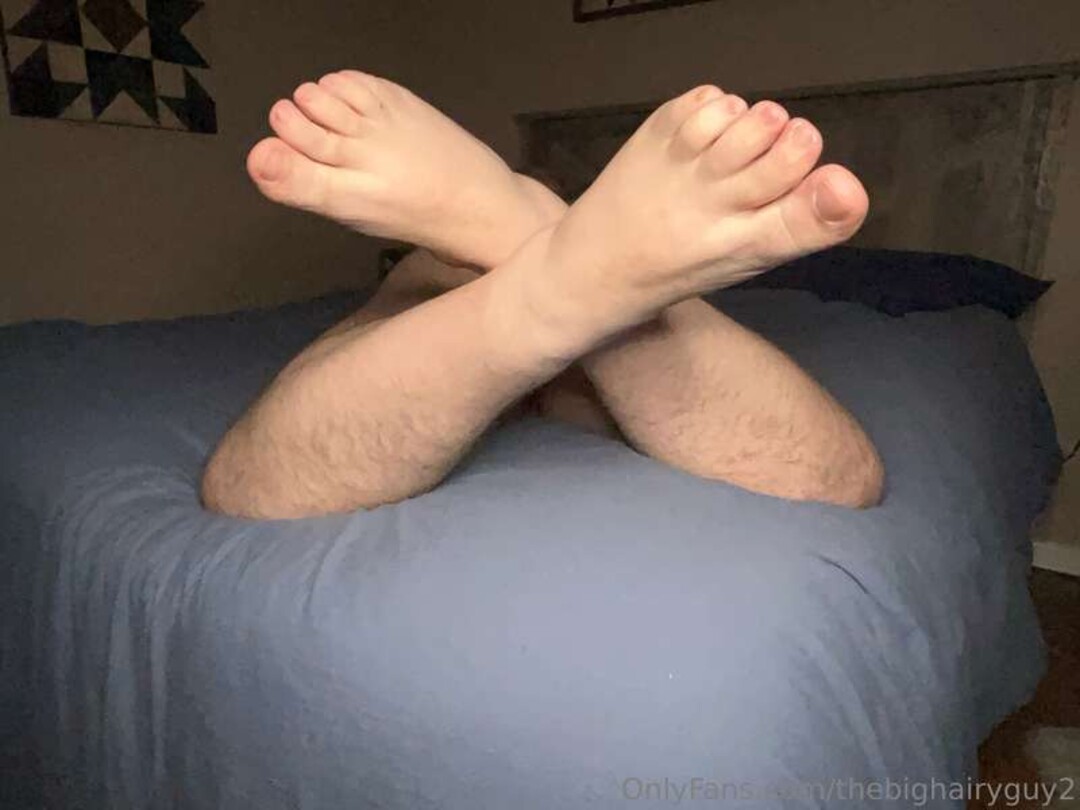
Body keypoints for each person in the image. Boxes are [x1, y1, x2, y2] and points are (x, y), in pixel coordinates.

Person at [200, 71, 884, 519]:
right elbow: (246, 488)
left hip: (604, 287)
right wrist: (579, 262)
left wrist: (508, 214)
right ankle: (552, 249)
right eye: (545, 207)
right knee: (443, 272)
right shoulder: (439, 269)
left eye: (564, 214)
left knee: (463, 273)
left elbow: (836, 482)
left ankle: (501, 216)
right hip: (476, 278)